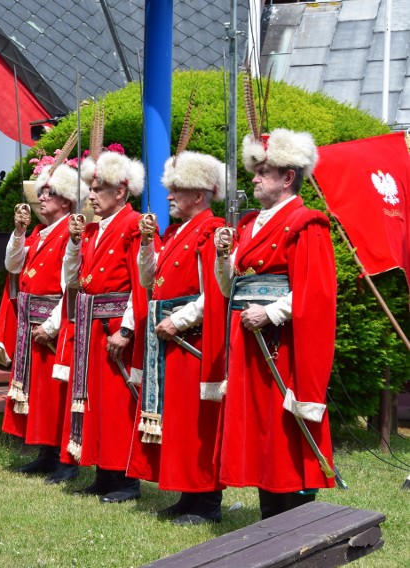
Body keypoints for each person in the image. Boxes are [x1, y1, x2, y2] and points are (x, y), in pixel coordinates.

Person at [214, 128, 336, 520]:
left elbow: (314, 292)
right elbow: (229, 286)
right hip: (249, 342)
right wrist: (221, 257)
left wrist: (271, 313)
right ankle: (270, 514)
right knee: (263, 430)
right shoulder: (248, 225)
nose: (254, 178)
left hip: (284, 344)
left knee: (285, 425)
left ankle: (296, 517)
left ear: (288, 177)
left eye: (264, 171)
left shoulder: (306, 222)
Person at [61, 149, 159, 503]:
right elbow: (74, 279)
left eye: (98, 188)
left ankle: (125, 480)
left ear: (120, 191)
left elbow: (141, 283)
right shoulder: (89, 230)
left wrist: (128, 330)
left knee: (119, 406)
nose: (90, 195)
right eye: (90, 187)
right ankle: (103, 472)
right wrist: (73, 242)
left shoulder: (135, 225)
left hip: (116, 324)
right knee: (97, 404)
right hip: (91, 323)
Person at [136, 150, 228, 525]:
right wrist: (145, 244)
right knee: (178, 420)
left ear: (200, 195)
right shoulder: (175, 233)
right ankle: (187, 495)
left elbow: (216, 290)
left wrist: (181, 320)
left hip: (194, 340)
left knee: (197, 422)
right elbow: (148, 280)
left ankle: (207, 502)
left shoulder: (212, 230)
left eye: (177, 189)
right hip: (169, 338)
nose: (170, 195)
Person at [0, 163, 88, 484]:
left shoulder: (72, 233)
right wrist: (19, 232)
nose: (42, 197)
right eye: (41, 192)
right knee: (40, 395)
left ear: (66, 201)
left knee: (58, 395)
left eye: (49, 192)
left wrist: (51, 325)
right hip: (30, 324)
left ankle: (66, 461)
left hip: (55, 326)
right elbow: (12, 265)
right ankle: (46, 454)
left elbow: (71, 285)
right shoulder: (38, 234)